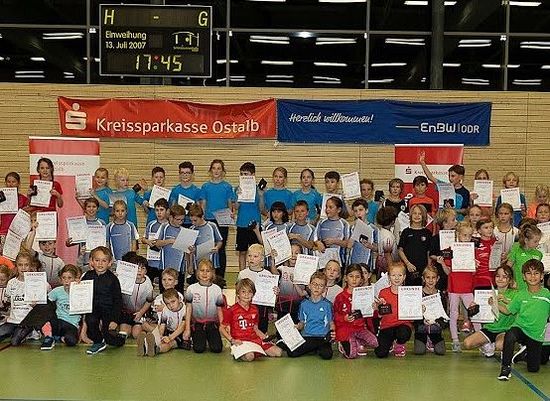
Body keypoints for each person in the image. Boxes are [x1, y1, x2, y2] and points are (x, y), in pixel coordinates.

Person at [497, 259, 550, 380]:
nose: (532, 276)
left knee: (533, 369)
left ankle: (524, 355)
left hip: (536, 336)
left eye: (536, 273)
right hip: (521, 329)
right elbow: (508, 310)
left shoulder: (547, 294)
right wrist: (494, 304)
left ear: (542, 276)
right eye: (529, 273)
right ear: (524, 277)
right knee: (510, 335)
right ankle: (505, 368)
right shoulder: (520, 295)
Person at [220, 278, 283, 361]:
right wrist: (232, 340)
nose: (246, 294)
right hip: (240, 341)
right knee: (250, 356)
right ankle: (238, 351)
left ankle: (255, 350)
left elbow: (255, 328)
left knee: (278, 352)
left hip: (254, 339)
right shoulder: (232, 310)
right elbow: (221, 328)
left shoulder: (254, 309)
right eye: (243, 292)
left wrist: (265, 338)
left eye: (250, 292)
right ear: (238, 293)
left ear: (253, 294)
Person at [463, 264, 517, 357]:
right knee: (467, 343)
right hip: (489, 328)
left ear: (510, 280)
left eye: (504, 277)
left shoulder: (515, 293)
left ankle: (504, 347)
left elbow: (515, 308)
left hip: (505, 330)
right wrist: (473, 308)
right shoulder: (487, 293)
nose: (500, 279)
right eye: (498, 276)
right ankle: (487, 344)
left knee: (499, 345)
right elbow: (476, 314)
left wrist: (504, 300)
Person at [81, 246, 126, 355]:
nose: (100, 264)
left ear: (110, 263)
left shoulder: (113, 279)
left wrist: (114, 320)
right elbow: (81, 291)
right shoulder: (87, 276)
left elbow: (118, 301)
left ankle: (120, 339)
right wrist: (77, 286)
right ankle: (98, 342)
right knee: (91, 321)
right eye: (97, 260)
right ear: (91, 261)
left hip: (108, 311)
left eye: (104, 261)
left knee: (109, 338)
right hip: (93, 309)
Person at [0, 251, 50, 344]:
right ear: (16, 266)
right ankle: (14, 332)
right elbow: (8, 302)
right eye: (20, 265)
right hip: (12, 320)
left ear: (30, 266)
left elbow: (49, 292)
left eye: (26, 265)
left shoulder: (37, 282)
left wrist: (38, 303)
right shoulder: (11, 283)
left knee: (15, 342)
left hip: (27, 321)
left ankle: (32, 332)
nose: (23, 268)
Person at [284, 271, 335, 360]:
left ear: (324, 289)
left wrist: (332, 332)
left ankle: (313, 348)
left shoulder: (327, 305)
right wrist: (297, 326)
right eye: (314, 284)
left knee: (327, 355)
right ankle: (314, 348)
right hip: (308, 336)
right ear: (309, 286)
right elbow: (302, 322)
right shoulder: (304, 304)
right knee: (291, 353)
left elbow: (331, 323)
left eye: (320, 285)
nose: (317, 287)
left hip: (322, 337)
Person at [199, 159, 236, 278]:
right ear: (210, 170)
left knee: (220, 248)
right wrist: (202, 219)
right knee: (208, 249)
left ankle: (220, 278)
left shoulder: (227, 186)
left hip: (222, 221)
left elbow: (230, 203)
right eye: (214, 168)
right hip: (209, 221)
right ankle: (207, 275)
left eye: (219, 168)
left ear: (223, 171)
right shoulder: (205, 186)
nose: (216, 171)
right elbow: (203, 204)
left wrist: (231, 214)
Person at [333, 264, 378, 358]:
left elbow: (371, 315)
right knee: (351, 355)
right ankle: (344, 343)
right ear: (345, 278)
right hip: (345, 329)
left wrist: (374, 309)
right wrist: (344, 318)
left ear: (362, 279)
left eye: (357, 277)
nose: (354, 279)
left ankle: (357, 341)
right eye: (351, 276)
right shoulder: (340, 297)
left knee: (375, 342)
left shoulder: (365, 295)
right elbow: (335, 315)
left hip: (359, 328)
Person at [183, 259, 224, 354]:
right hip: (197, 323)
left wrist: (222, 325)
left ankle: (209, 337)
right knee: (199, 349)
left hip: (212, 324)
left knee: (217, 349)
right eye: (202, 270)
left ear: (212, 273)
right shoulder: (191, 289)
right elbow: (188, 309)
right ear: (197, 272)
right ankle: (198, 338)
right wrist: (187, 329)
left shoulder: (217, 289)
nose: (204, 273)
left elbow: (219, 309)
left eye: (208, 271)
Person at [447, 222, 476, 352]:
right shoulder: (451, 249)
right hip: (454, 286)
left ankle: (480, 339)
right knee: (454, 313)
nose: (467, 238)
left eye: (470, 235)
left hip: (467, 286)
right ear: (458, 235)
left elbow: (474, 272)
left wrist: (474, 264)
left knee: (474, 312)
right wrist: (443, 263)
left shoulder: (472, 250)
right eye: (464, 235)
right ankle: (455, 340)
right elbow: (448, 271)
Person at [373, 262, 412, 358]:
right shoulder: (383, 292)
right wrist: (377, 308)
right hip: (387, 326)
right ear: (389, 277)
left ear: (404, 277)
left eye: (400, 275)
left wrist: (420, 309)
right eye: (394, 275)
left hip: (402, 325)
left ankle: (399, 343)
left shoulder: (409, 293)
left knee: (403, 333)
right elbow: (379, 315)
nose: (397, 278)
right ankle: (390, 342)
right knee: (380, 353)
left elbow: (413, 312)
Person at [236, 244, 278, 333]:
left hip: (262, 310)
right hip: (246, 308)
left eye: (255, 256)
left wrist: (275, 293)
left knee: (261, 332)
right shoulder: (242, 274)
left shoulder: (268, 275)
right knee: (247, 332)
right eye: (249, 255)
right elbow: (237, 293)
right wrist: (236, 308)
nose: (251, 258)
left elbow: (272, 297)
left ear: (262, 258)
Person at [40, 264, 83, 350]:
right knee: (45, 311)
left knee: (71, 341)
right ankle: (49, 336)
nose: (66, 281)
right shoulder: (57, 291)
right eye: (64, 278)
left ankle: (58, 337)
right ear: (61, 279)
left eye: (70, 278)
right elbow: (45, 303)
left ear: (75, 278)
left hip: (71, 324)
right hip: (58, 321)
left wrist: (81, 286)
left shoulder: (80, 291)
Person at [420, 151, 470, 221]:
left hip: (458, 223)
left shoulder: (465, 192)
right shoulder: (445, 187)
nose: (450, 178)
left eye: (453, 176)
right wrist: (422, 163)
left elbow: (465, 210)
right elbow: (430, 177)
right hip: (444, 223)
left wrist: (453, 210)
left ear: (461, 177)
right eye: (449, 176)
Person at [137, 288, 187, 357]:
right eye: (167, 304)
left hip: (180, 334)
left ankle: (156, 349)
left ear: (179, 299)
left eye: (173, 302)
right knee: (158, 335)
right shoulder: (165, 309)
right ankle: (144, 346)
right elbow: (162, 325)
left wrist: (170, 338)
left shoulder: (185, 309)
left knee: (169, 344)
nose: (171, 305)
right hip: (169, 330)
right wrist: (160, 335)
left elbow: (182, 327)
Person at [235, 162, 262, 270]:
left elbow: (261, 208)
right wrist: (238, 195)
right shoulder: (238, 188)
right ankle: (242, 275)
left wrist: (261, 195)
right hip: (242, 224)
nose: (243, 176)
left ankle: (256, 273)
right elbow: (236, 207)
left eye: (246, 174)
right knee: (242, 251)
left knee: (256, 251)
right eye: (241, 174)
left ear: (253, 175)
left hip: (254, 225)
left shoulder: (258, 189)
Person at [413, 266, 447, 356]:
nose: (431, 280)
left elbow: (444, 315)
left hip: (435, 329)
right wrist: (421, 318)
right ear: (423, 278)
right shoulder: (417, 294)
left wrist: (437, 321)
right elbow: (413, 314)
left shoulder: (441, 295)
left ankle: (432, 340)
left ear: (437, 278)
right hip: (421, 328)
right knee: (419, 351)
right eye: (428, 277)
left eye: (433, 277)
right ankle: (424, 340)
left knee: (441, 351)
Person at [119, 253, 153, 339]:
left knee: (136, 334)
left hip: (141, 312)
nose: (139, 270)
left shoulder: (147, 283)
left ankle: (144, 335)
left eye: (142, 268)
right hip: (126, 312)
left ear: (145, 271)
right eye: (137, 268)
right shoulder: (124, 279)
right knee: (123, 333)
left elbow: (149, 301)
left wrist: (141, 312)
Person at [67, 197, 106, 272]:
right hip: (84, 259)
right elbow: (70, 243)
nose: (91, 209)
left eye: (94, 206)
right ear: (85, 209)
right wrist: (68, 242)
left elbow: (105, 242)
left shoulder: (102, 223)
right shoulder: (80, 222)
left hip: (99, 261)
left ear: (97, 209)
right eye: (89, 206)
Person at [398, 204, 432, 286]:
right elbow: (400, 250)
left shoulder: (427, 233)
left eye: (420, 214)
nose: (417, 216)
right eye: (414, 213)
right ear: (410, 215)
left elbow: (429, 252)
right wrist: (408, 264)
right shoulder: (406, 232)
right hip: (408, 268)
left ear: (423, 216)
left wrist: (428, 267)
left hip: (423, 269)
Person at [188, 203, 223, 281]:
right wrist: (190, 265)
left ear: (202, 217)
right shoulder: (191, 229)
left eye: (195, 220)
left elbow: (219, 241)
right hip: (197, 264)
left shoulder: (212, 226)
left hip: (212, 262)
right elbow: (189, 250)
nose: (193, 223)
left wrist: (217, 247)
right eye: (191, 221)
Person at [156, 204, 187, 292]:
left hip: (179, 268)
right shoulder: (164, 227)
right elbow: (157, 244)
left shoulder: (184, 231)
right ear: (170, 217)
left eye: (182, 220)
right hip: (165, 267)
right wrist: (169, 241)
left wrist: (191, 249)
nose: (180, 222)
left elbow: (187, 250)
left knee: (179, 294)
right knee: (164, 293)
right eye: (178, 219)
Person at [314, 196, 350, 268]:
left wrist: (335, 241)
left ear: (339, 209)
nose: (327, 210)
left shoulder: (344, 223)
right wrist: (318, 243)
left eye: (330, 207)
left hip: (339, 262)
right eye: (326, 207)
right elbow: (315, 238)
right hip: (322, 261)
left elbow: (347, 244)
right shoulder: (321, 222)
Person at [507, 224, 543, 291]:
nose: (538, 243)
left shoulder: (539, 254)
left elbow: (538, 272)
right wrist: (511, 281)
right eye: (535, 241)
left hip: (533, 288)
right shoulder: (516, 248)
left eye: (538, 241)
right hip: (517, 287)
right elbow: (508, 267)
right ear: (526, 240)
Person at [141, 198, 169, 284]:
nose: (159, 212)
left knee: (163, 286)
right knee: (149, 286)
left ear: (167, 211)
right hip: (152, 261)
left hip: (164, 262)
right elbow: (143, 239)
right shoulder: (151, 224)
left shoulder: (169, 225)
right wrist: (148, 241)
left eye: (161, 210)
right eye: (157, 210)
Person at [348, 198, 378, 272]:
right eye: (356, 211)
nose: (358, 213)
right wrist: (356, 229)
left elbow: (377, 248)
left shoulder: (373, 228)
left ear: (366, 210)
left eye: (361, 210)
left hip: (367, 263)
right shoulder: (352, 227)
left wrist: (370, 246)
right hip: (354, 263)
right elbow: (349, 245)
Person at [276, 244, 304, 323]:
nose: (293, 255)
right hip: (283, 306)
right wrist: (273, 259)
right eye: (291, 252)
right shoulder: (282, 268)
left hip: (298, 306)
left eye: (296, 253)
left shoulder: (304, 272)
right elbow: (275, 273)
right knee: (281, 329)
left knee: (295, 329)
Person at [0, 172, 27, 252]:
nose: (11, 184)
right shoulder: (1, 197)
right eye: (8, 182)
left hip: (17, 233)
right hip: (3, 232)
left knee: (17, 257)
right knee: (3, 259)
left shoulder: (23, 199)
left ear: (18, 183)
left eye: (13, 182)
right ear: (5, 183)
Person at [169, 161, 202, 227]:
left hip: (192, 223)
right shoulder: (175, 190)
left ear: (192, 174)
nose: (185, 175)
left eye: (187, 173)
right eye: (182, 173)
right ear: (179, 174)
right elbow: (172, 208)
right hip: (178, 224)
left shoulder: (197, 191)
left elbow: (199, 211)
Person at [473, 218, 498, 290]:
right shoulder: (474, 243)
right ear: (479, 230)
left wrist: (503, 257)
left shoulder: (497, 243)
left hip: (494, 280)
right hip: (478, 281)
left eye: (491, 227)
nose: (489, 229)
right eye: (486, 228)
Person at [375, 206, 399, 274]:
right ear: (392, 221)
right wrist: (392, 271)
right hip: (387, 267)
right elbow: (387, 254)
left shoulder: (381, 232)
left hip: (381, 264)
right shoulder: (388, 236)